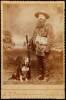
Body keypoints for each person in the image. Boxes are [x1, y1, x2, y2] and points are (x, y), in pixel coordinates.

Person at [30, 11, 53, 80]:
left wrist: (48, 48)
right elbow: (33, 37)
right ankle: (40, 75)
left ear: (44, 20)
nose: (40, 20)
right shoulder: (36, 28)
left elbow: (50, 37)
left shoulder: (48, 27)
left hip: (45, 47)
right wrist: (30, 43)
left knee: (45, 62)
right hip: (38, 48)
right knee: (39, 61)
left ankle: (46, 76)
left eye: (41, 19)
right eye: (39, 19)